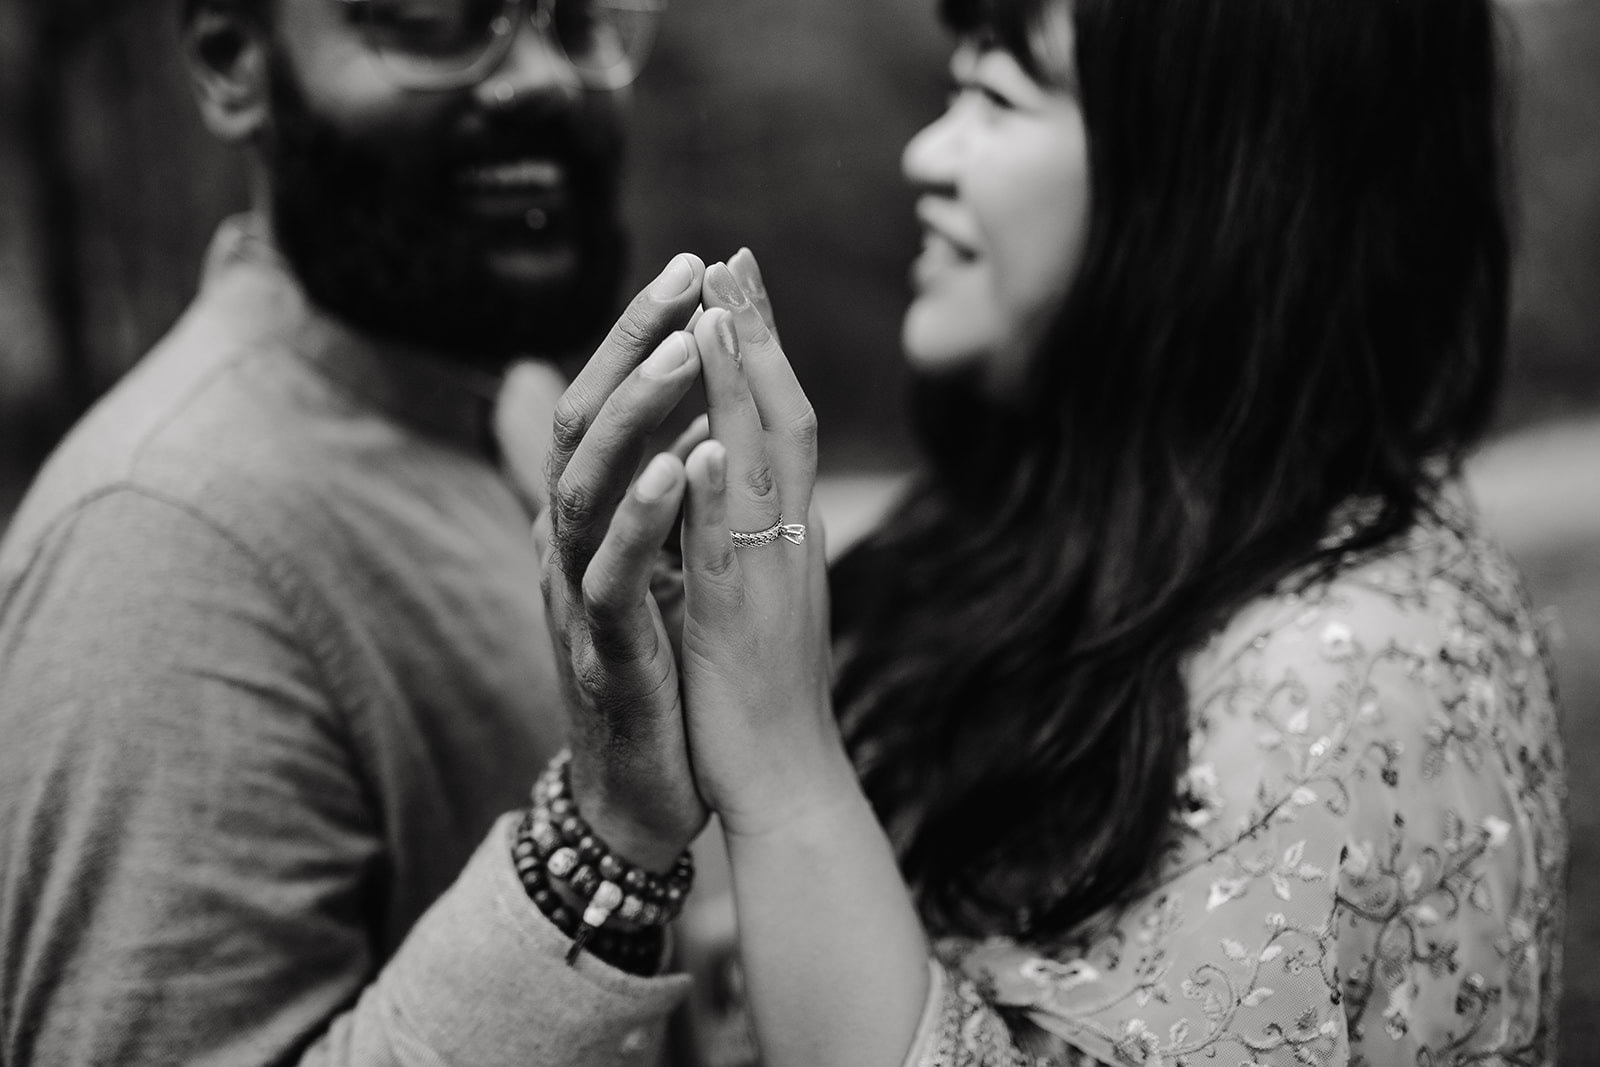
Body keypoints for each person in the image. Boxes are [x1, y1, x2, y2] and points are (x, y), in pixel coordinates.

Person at [532, 0, 1569, 1063]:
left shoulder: (1351, 671)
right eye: (957, 84)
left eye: (997, 95)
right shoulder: (1046, 545)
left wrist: (785, 764)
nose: (928, 152)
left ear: (1217, 168)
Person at [0, 0, 743, 1061]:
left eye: (579, 18)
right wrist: (600, 845)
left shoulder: (514, 408)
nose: (543, 76)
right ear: (232, 64)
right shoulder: (159, 543)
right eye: (437, 19)